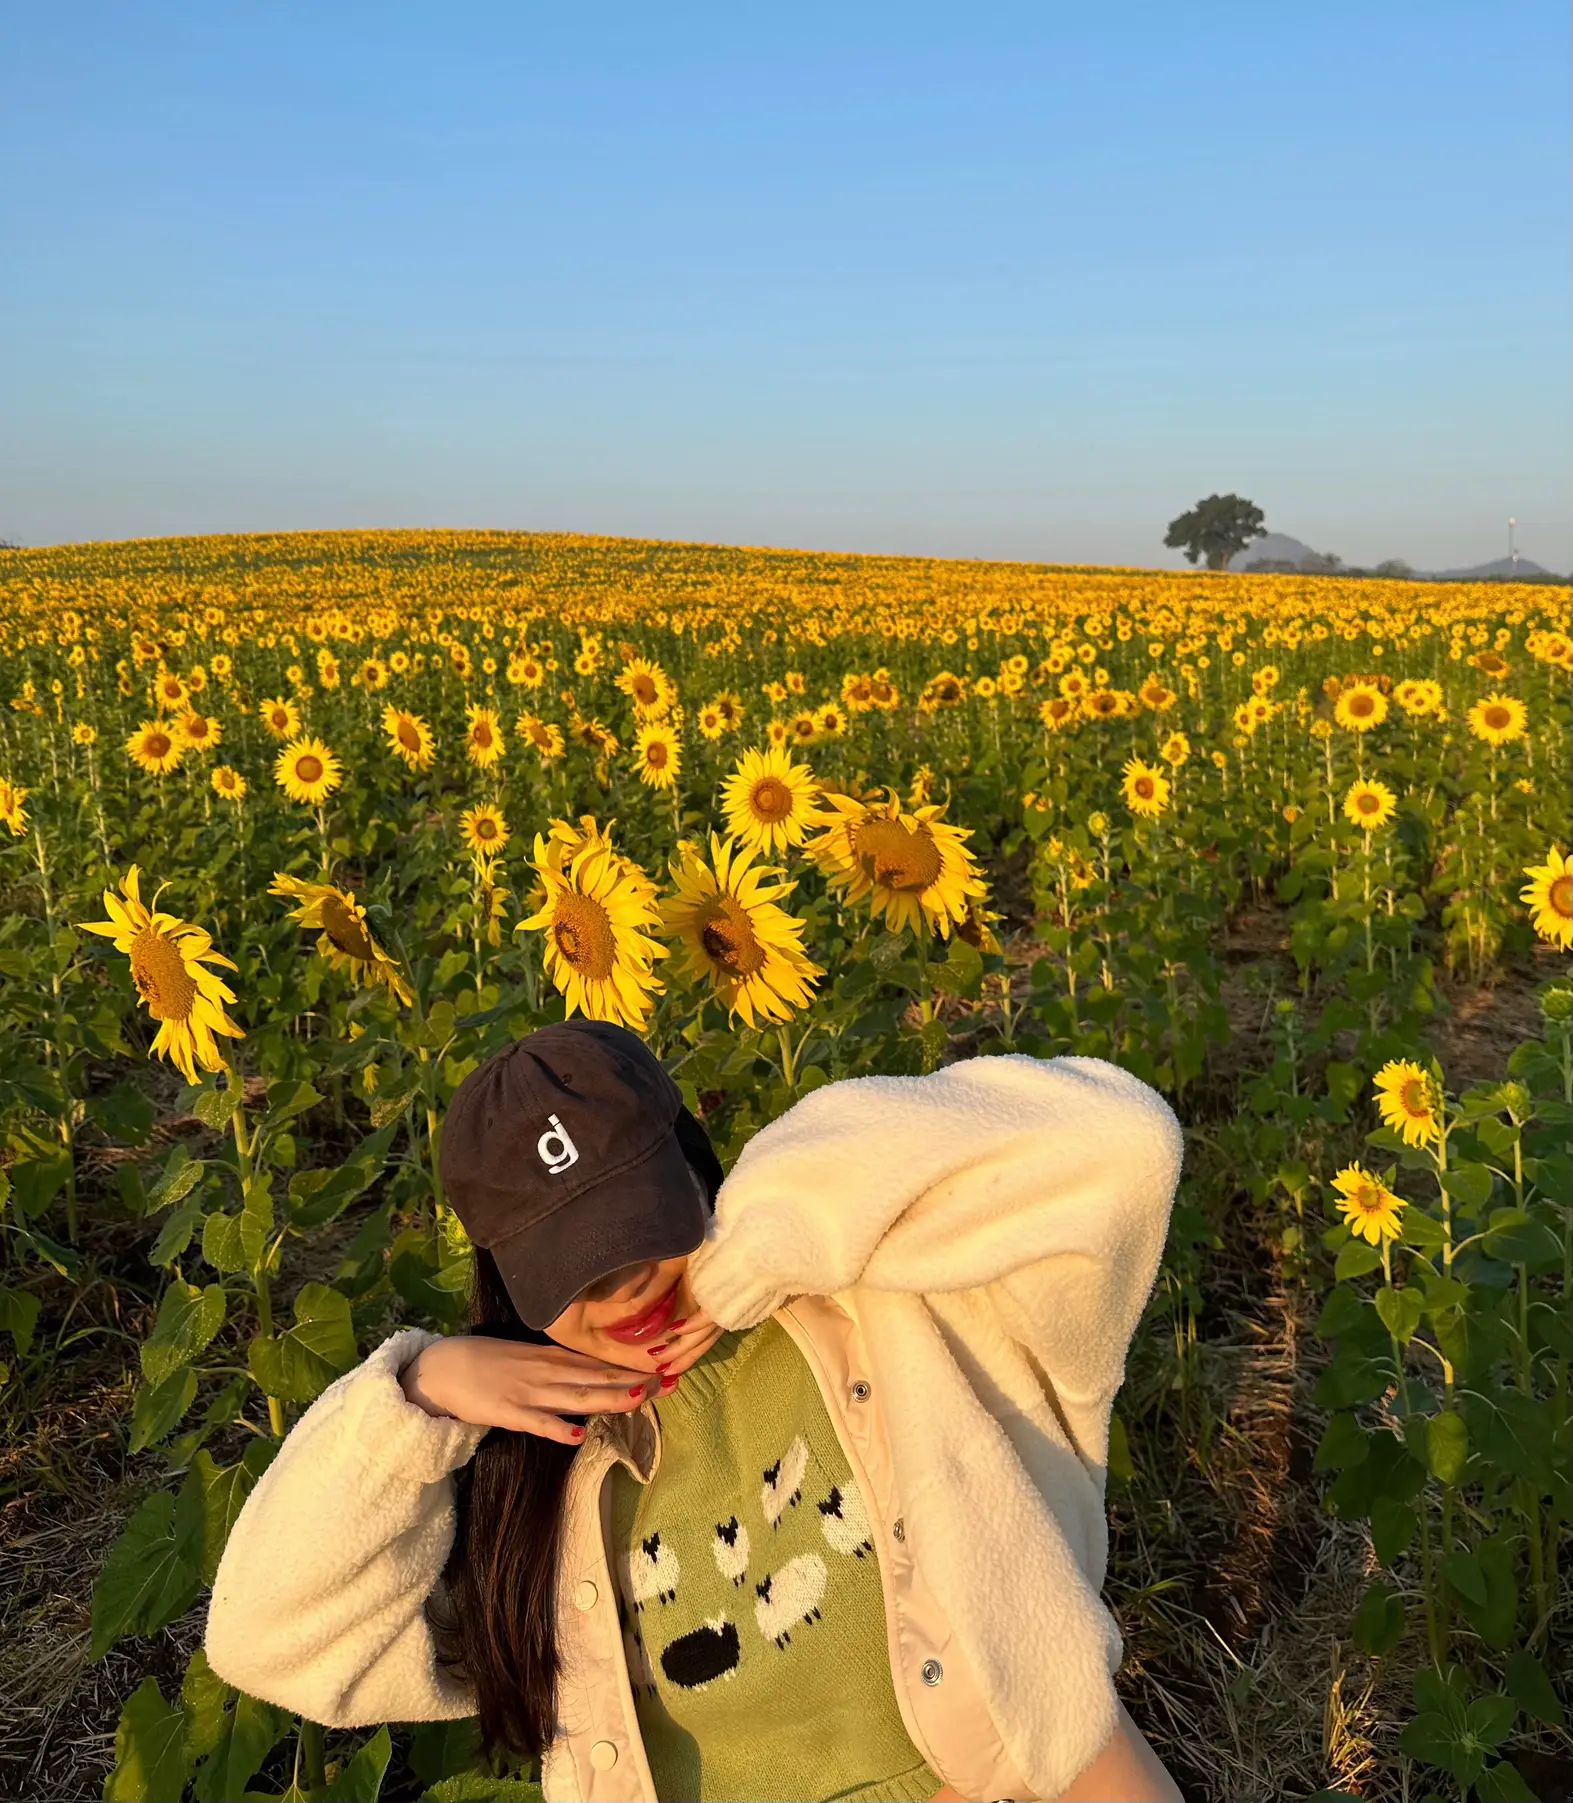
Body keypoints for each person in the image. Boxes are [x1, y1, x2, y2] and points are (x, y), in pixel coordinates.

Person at [207, 1019, 1186, 1803]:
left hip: (1012, 1776)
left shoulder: (895, 1314)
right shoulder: (528, 1482)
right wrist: (412, 1406)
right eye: (576, 1266)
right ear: (510, 1284)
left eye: (639, 1229)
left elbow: (1117, 1146)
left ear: (694, 1164)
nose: (627, 1287)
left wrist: (774, 1230)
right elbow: (270, 1639)